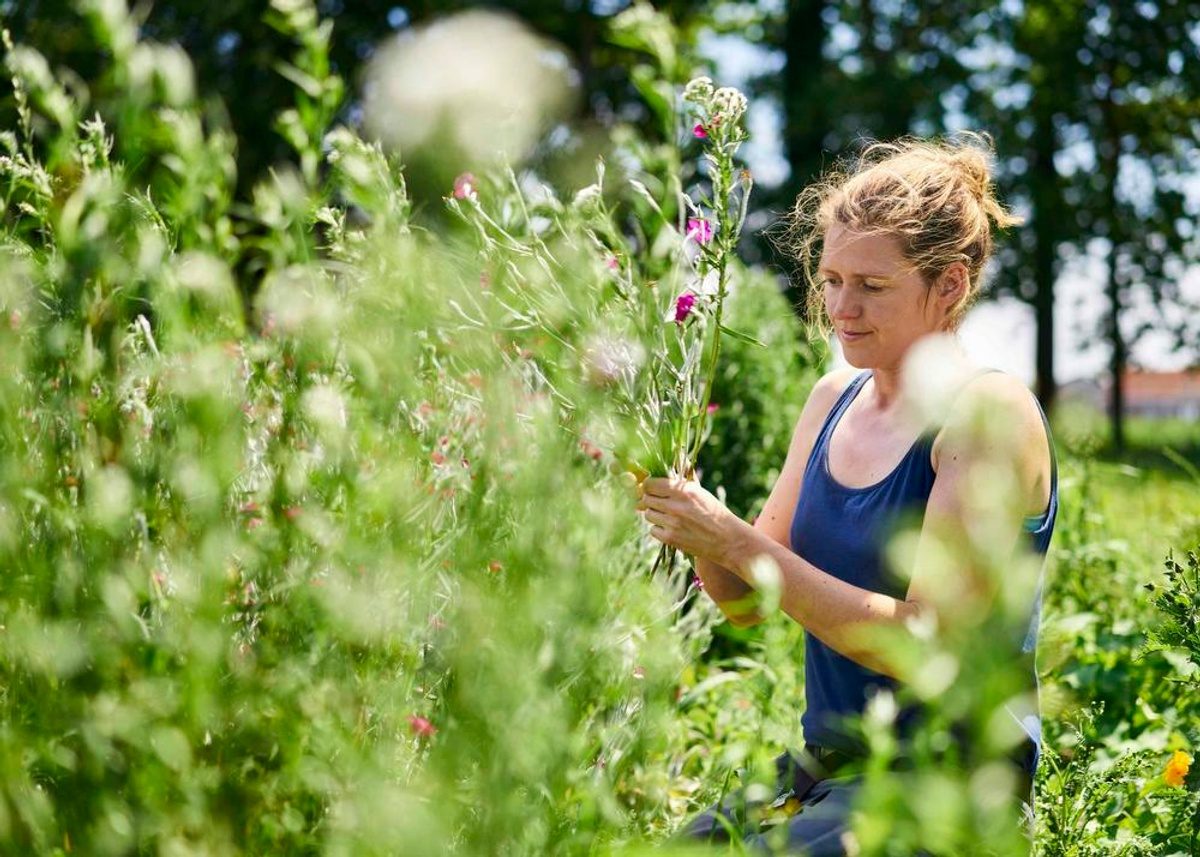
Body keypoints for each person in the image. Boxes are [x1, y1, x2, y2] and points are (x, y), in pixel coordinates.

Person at [633, 135, 1058, 854]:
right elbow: (742, 600)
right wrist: (693, 523)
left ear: (950, 284)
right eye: (830, 279)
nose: (841, 306)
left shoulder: (986, 415)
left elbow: (924, 642)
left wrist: (733, 535)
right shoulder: (833, 398)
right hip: (833, 765)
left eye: (871, 285)